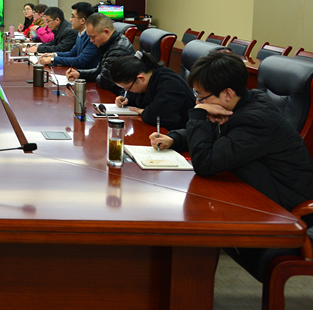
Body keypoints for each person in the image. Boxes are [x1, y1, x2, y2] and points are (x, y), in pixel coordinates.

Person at [150, 52, 313, 214]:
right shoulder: (243, 101)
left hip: (281, 204)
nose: (198, 101)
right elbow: (214, 133)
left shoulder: (255, 122)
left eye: (201, 96)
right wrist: (174, 138)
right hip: (252, 185)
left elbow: (204, 163)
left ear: (227, 94)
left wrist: (198, 114)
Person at [108, 51, 196, 131]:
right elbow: (137, 94)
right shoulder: (149, 75)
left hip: (182, 135)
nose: (127, 91)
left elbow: (159, 117)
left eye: (127, 88)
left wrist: (143, 112)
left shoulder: (169, 85)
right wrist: (126, 98)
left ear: (141, 78)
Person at [65, 12, 134, 95]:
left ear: (106, 32)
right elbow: (99, 71)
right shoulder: (108, 44)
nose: (91, 40)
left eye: (93, 36)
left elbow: (104, 82)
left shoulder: (118, 50)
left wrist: (98, 75)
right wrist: (79, 74)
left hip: (117, 96)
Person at [40, 1, 100, 69]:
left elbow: (81, 61)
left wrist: (52, 60)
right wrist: (54, 55)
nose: (70, 20)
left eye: (73, 16)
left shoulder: (92, 37)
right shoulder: (80, 34)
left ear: (82, 21)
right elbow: (72, 53)